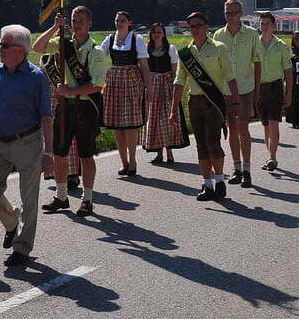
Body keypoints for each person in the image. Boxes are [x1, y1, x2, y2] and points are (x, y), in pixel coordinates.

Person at [0, 24, 53, 267]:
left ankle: (22, 248)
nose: (0, 49)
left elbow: (47, 117)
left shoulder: (36, 77)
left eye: (4, 45)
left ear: (20, 50)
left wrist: (48, 151)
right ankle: (11, 222)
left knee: (29, 199)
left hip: (27, 142)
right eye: (0, 44)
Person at [33, 7, 106, 217]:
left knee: (85, 155)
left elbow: (97, 85)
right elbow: (38, 48)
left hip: (86, 106)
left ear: (90, 23)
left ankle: (87, 199)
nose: (77, 24)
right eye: (74, 20)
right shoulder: (63, 44)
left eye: (81, 20)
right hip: (66, 106)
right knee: (60, 153)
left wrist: (69, 90)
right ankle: (62, 196)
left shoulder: (96, 51)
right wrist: (56, 26)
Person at [170, 12, 241, 202]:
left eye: (198, 25)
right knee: (200, 144)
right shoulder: (185, 53)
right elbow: (179, 81)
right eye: (191, 26)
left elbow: (230, 77)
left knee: (213, 143)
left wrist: (235, 101)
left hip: (214, 103)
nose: (195, 29)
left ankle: (219, 182)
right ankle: (206, 184)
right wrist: (173, 108)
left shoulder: (219, 48)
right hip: (194, 102)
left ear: (206, 26)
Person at [213, 0, 261, 188]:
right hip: (225, 89)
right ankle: (237, 168)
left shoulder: (251, 34)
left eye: (232, 12)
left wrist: (257, 89)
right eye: (226, 12)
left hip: (245, 88)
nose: (229, 16)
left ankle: (247, 170)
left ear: (240, 14)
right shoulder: (218, 35)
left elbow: (257, 62)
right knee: (231, 129)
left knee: (243, 128)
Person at [101, 11, 149, 177]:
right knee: (117, 125)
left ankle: (133, 161)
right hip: (114, 82)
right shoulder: (110, 39)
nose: (119, 23)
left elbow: (143, 64)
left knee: (130, 124)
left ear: (129, 22)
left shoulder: (137, 39)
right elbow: (99, 57)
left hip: (131, 81)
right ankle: (124, 162)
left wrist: (147, 87)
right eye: (117, 20)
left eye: (122, 20)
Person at [141, 23, 189, 165]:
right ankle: (159, 153)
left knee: (168, 119)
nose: (156, 34)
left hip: (167, 86)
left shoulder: (171, 49)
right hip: (152, 86)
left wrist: (175, 88)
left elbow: (175, 71)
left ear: (163, 34)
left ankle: (170, 153)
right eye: (154, 32)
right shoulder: (146, 49)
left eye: (159, 32)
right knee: (154, 119)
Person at [256, 13, 292, 171]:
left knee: (273, 123)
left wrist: (289, 93)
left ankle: (272, 157)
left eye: (267, 23)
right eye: (262, 23)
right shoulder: (254, 44)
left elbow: (288, 72)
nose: (264, 26)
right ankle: (269, 154)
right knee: (265, 125)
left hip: (275, 87)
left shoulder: (281, 45)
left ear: (273, 25)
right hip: (258, 88)